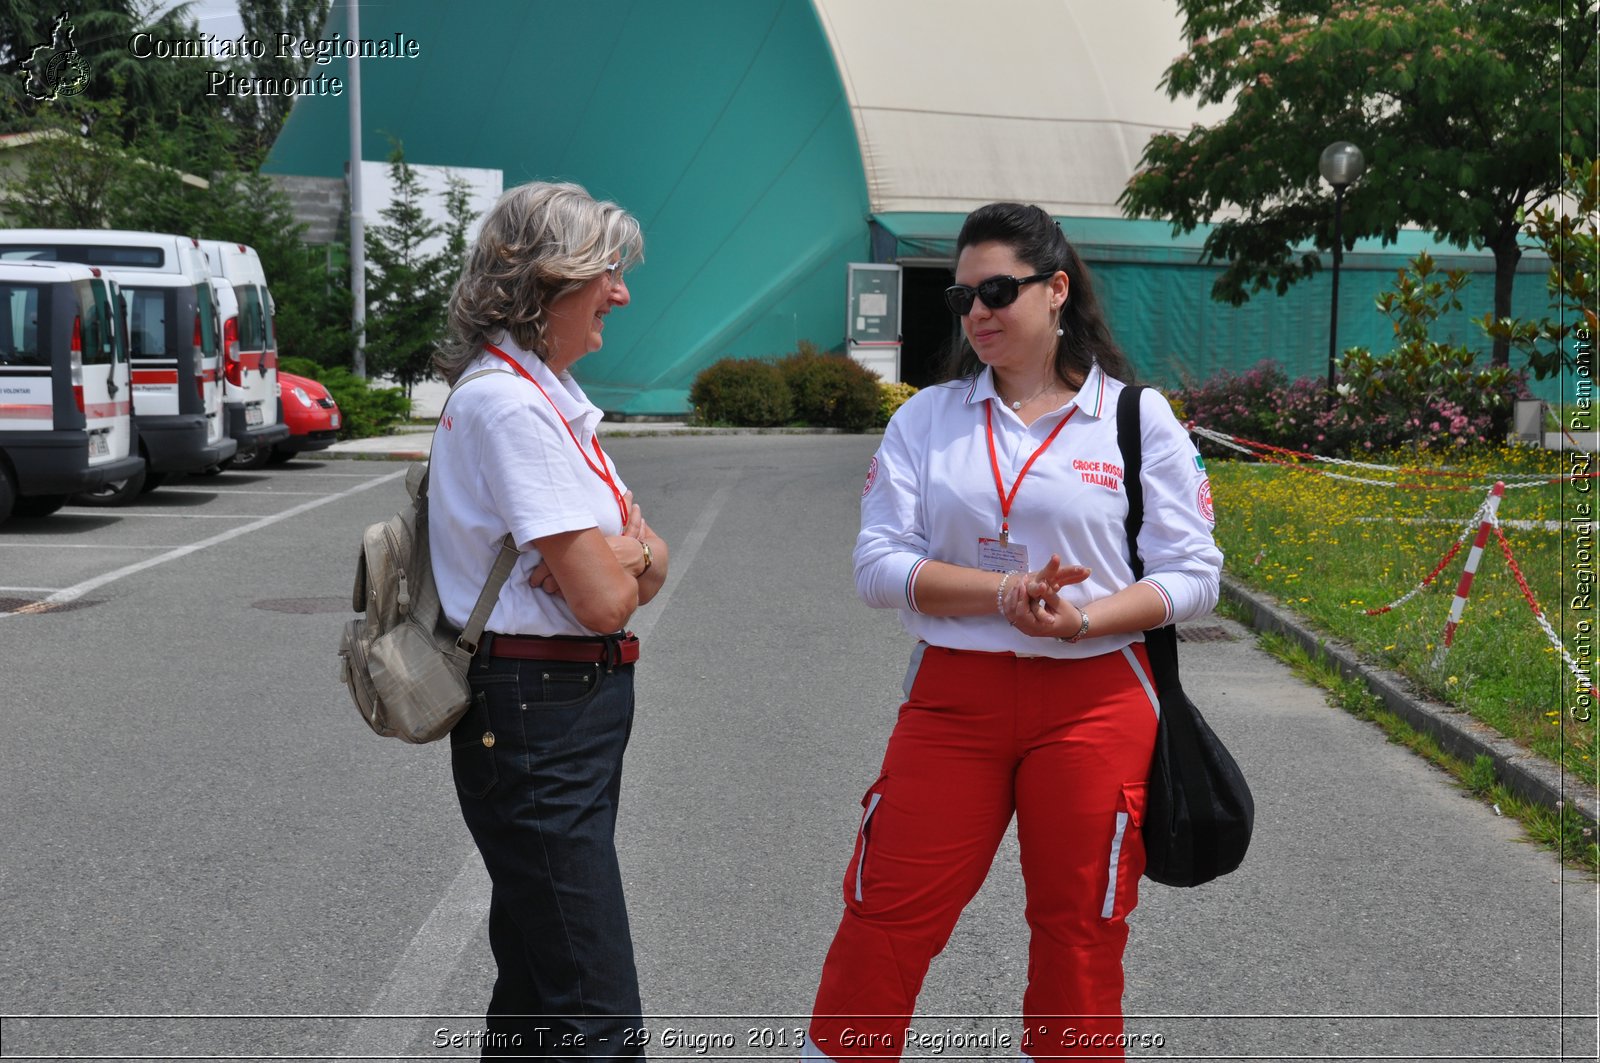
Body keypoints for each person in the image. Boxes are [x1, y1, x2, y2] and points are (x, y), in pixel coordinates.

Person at [804, 202, 1221, 1061]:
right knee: (888, 908)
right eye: (962, 299)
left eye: (997, 290)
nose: (979, 313)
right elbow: (878, 565)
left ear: (1057, 288)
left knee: (1080, 929)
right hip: (956, 699)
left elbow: (1193, 572)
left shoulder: (1137, 420)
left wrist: (1086, 618)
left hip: (1098, 698)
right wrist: (1003, 593)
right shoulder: (926, 419)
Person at [428, 181, 668, 1059]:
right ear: (547, 281)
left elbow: (639, 564)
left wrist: (626, 559)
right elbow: (608, 596)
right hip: (538, 708)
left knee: (538, 980)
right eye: (607, 270)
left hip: (553, 706)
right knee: (594, 1005)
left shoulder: (544, 396)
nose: (622, 290)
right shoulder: (513, 406)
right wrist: (627, 556)